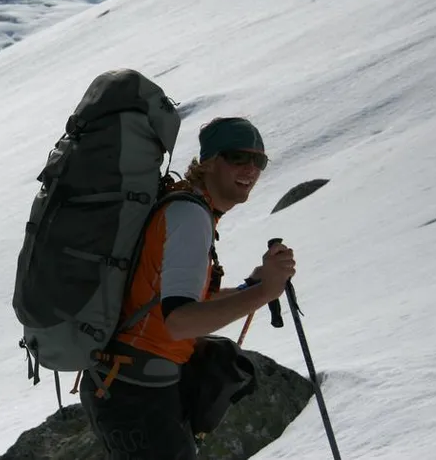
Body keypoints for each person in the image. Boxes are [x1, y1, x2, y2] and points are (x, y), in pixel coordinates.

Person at [79, 117, 297, 460]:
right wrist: (263, 293)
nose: (250, 169)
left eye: (259, 161)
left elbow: (177, 301)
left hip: (124, 383)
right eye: (238, 157)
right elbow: (179, 321)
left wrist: (249, 288)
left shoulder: (187, 206)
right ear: (209, 161)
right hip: (139, 393)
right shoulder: (190, 216)